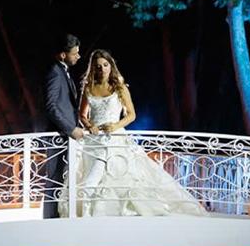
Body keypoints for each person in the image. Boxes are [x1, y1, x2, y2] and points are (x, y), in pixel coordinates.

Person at [60, 49, 207, 217]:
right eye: (98, 66)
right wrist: (89, 125)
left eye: (105, 65)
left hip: (114, 137)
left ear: (111, 65)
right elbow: (82, 114)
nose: (102, 69)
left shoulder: (119, 87)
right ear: (93, 68)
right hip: (94, 140)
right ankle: (89, 214)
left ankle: (108, 214)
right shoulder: (89, 87)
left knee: (114, 175)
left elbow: (131, 114)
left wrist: (115, 126)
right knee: (92, 175)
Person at [42, 34, 84, 218]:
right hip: (57, 135)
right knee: (54, 178)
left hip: (65, 135)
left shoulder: (63, 71)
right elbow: (51, 107)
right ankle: (50, 219)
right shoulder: (54, 72)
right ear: (62, 55)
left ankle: (57, 217)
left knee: (62, 177)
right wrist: (71, 129)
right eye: (75, 53)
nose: (78, 56)